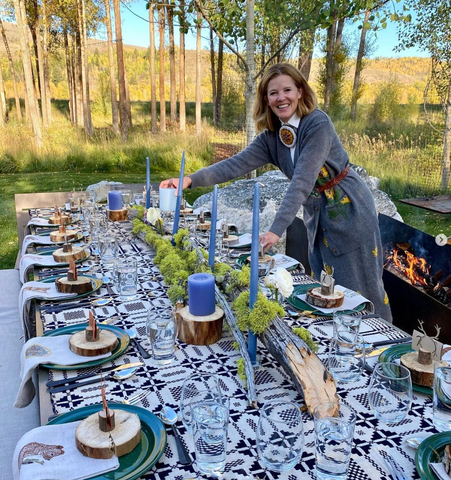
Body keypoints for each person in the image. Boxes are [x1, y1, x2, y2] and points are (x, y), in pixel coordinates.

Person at [160, 63, 392, 322]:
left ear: (301, 91)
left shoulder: (317, 123)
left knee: (360, 287)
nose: (281, 97)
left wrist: (275, 230)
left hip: (349, 211)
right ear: (266, 99)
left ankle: (382, 346)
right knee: (326, 289)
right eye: (273, 93)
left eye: (287, 90)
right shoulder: (272, 138)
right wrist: (189, 180)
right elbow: (234, 165)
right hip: (318, 215)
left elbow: (302, 180)